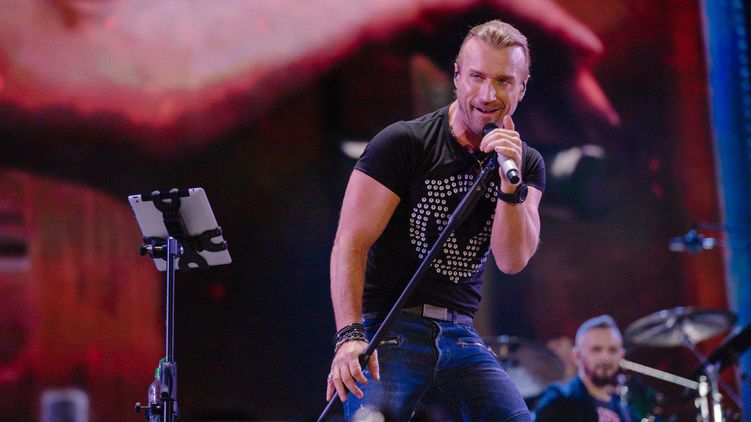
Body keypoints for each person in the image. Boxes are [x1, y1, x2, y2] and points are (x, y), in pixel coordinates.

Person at [325, 19, 546, 421]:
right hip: (390, 326)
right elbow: (350, 242)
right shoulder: (404, 143)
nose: (488, 94)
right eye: (477, 77)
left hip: (460, 335)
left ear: (522, 88)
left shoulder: (523, 164)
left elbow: (512, 260)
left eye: (503, 81)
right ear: (457, 76)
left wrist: (508, 185)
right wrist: (350, 336)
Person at [534, 315, 636, 422]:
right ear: (577, 356)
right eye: (596, 349)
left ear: (621, 355)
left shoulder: (627, 407)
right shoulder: (558, 403)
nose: (605, 358)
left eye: (613, 350)